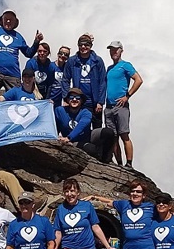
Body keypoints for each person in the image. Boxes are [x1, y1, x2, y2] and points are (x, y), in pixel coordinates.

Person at [105, 41, 143, 169]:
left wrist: (127, 96)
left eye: (116, 50)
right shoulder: (109, 69)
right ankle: (119, 164)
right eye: (111, 50)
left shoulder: (125, 65)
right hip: (109, 106)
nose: (113, 52)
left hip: (121, 106)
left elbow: (138, 80)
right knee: (113, 137)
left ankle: (129, 164)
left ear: (121, 50)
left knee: (124, 134)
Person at [55, 88, 114, 163]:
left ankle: (106, 160)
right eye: (71, 97)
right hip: (73, 142)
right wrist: (56, 137)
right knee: (92, 150)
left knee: (108, 132)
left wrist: (69, 137)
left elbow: (82, 125)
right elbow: (54, 124)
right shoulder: (59, 110)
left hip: (86, 136)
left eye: (78, 98)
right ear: (67, 99)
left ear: (82, 100)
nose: (74, 99)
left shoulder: (86, 112)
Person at [62, 34, 106, 129]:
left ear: (90, 46)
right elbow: (65, 80)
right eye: (80, 45)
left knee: (97, 130)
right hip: (78, 102)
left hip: (95, 104)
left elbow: (103, 82)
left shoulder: (97, 61)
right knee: (81, 129)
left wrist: (100, 102)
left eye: (86, 45)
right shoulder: (72, 61)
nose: (83, 47)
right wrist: (66, 98)